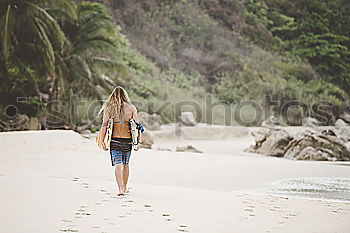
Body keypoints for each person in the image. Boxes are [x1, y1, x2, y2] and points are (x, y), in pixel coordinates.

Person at [97, 86, 141, 196]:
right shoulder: (131, 108)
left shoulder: (109, 108)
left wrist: (102, 141)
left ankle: (120, 189)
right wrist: (138, 142)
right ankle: (125, 187)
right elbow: (137, 127)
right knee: (126, 164)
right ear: (125, 95)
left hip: (114, 141)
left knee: (117, 164)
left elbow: (105, 126)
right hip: (127, 141)